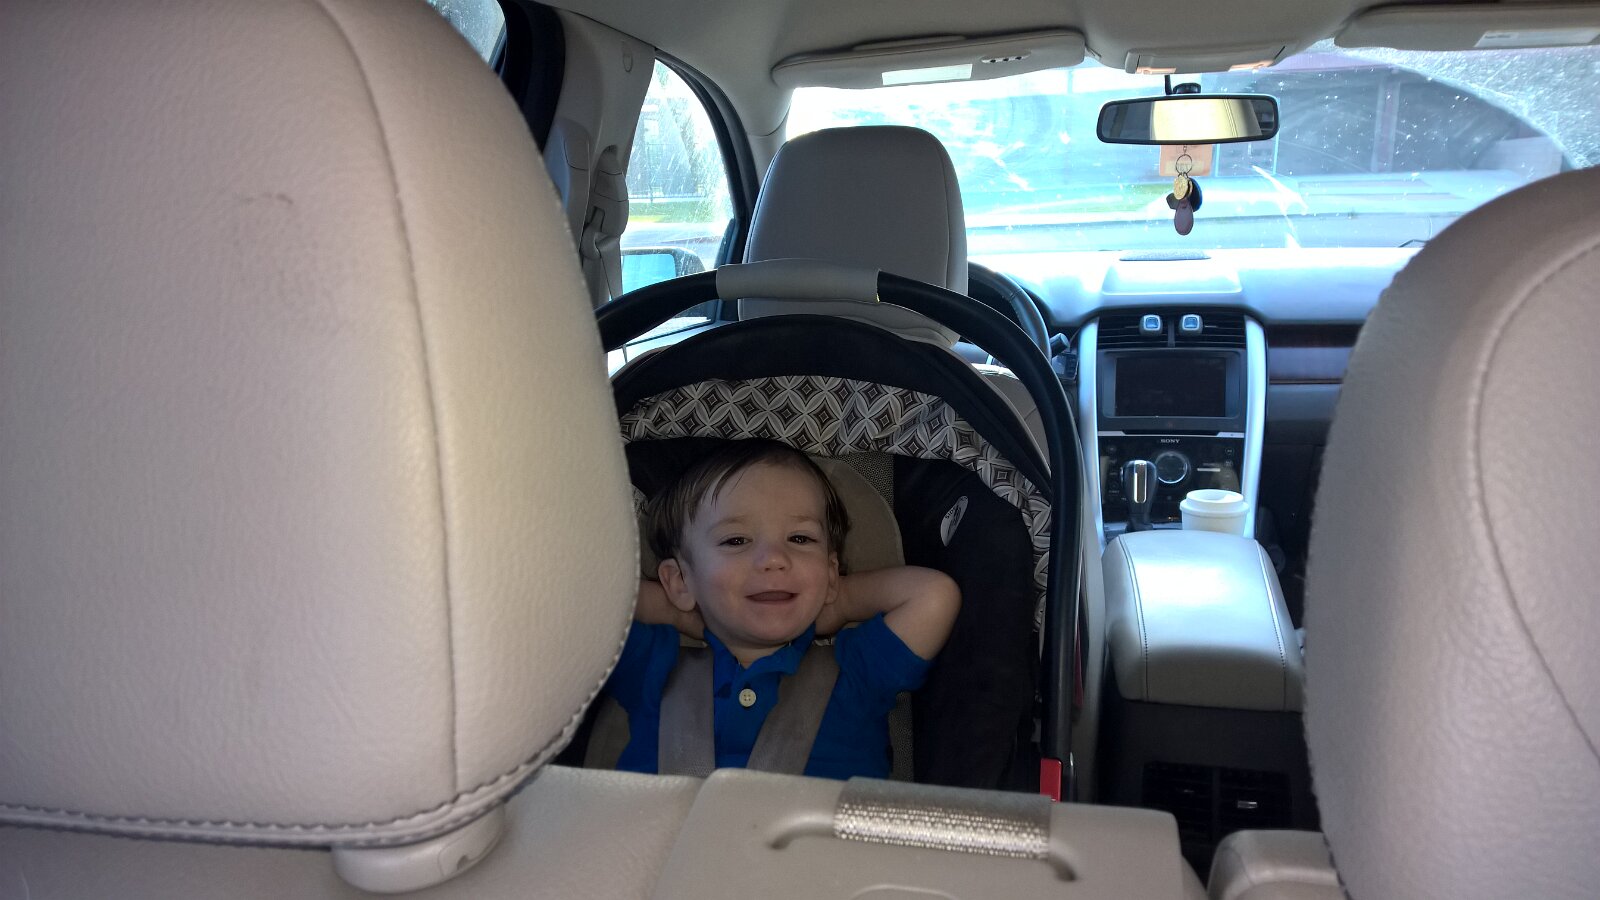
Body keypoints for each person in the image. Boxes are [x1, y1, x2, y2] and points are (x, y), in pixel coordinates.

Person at [604, 439, 961, 779]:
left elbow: (933, 596)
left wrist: (835, 601)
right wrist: (680, 611)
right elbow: (588, 601)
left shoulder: (854, 673)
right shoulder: (652, 665)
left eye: (800, 538)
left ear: (830, 572)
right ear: (680, 580)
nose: (774, 558)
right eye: (736, 540)